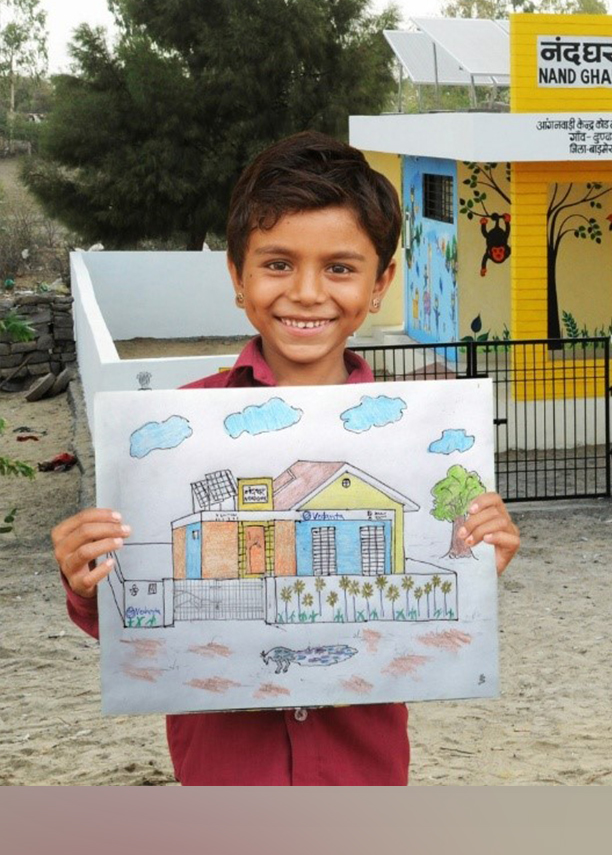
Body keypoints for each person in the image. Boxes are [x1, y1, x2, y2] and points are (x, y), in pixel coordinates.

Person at [50, 131, 521, 785]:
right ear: (237, 278)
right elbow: (134, 630)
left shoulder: (414, 442)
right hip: (225, 783)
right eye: (276, 264)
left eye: (339, 267)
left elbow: (428, 612)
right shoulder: (178, 430)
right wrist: (85, 578)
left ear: (381, 282)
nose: (306, 292)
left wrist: (474, 556)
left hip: (364, 781)